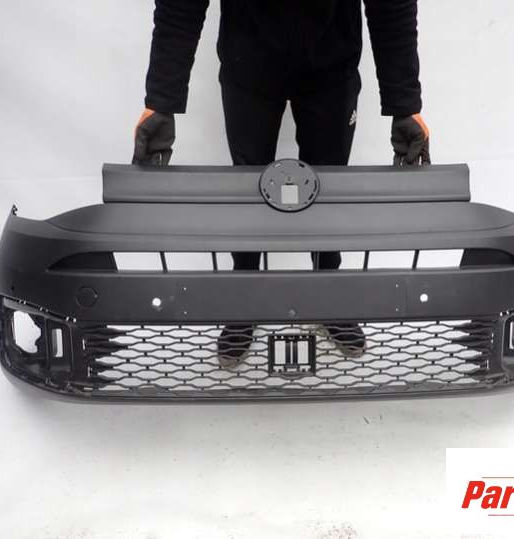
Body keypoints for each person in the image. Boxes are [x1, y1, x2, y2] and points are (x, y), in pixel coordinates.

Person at [133, 0, 430, 369]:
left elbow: (393, 5)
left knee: (329, 189)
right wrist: (161, 101)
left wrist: (405, 104)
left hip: (331, 67)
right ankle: (244, 298)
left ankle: (328, 293)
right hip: (248, 66)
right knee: (248, 191)